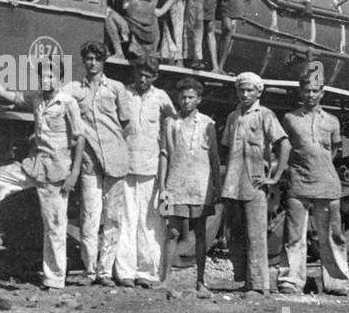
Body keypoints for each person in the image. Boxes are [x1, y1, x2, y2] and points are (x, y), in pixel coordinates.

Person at [0, 52, 85, 290]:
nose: (46, 80)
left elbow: (80, 137)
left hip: (57, 174)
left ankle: (54, 281)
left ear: (59, 78)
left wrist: (73, 174)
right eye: (43, 75)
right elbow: (5, 94)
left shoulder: (68, 102)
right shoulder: (37, 100)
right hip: (33, 167)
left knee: (55, 227)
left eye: (51, 75)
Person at [278, 62, 349, 295]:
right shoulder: (289, 118)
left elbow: (335, 151)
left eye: (315, 90)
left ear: (322, 92)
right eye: (306, 90)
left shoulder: (332, 121)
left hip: (328, 185)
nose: (310, 95)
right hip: (299, 184)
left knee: (333, 236)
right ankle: (290, 281)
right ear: (300, 92)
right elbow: (283, 147)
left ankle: (337, 282)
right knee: (294, 236)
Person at [62, 41, 131, 285]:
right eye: (89, 59)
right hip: (91, 161)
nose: (92, 63)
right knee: (90, 216)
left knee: (113, 218)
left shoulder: (116, 88)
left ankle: (105, 272)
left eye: (97, 59)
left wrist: (118, 147)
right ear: (84, 61)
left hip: (116, 160)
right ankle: (90, 271)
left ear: (103, 62)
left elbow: (126, 121)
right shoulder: (74, 89)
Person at [219, 70, 289, 295]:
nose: (245, 94)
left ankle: (259, 285)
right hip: (233, 182)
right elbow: (227, 148)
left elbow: (284, 144)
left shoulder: (265, 115)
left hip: (255, 182)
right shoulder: (232, 117)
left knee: (255, 234)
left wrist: (275, 176)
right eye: (241, 90)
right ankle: (244, 278)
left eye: (250, 90)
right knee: (235, 233)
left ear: (259, 92)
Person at [116, 54, 176, 288]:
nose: (142, 79)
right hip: (126, 166)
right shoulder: (124, 93)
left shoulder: (161, 98)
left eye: (148, 75)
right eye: (139, 74)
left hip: (152, 168)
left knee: (151, 221)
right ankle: (125, 272)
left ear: (155, 77)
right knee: (126, 219)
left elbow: (173, 125)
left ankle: (148, 271)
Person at [158, 76, 220, 294]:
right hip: (176, 184)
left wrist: (217, 186)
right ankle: (165, 279)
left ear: (199, 99)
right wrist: (163, 185)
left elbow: (214, 157)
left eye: (191, 97)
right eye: (183, 97)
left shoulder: (207, 124)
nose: (186, 101)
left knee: (201, 233)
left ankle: (201, 281)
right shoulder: (170, 123)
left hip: (200, 186)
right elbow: (165, 154)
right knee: (173, 232)